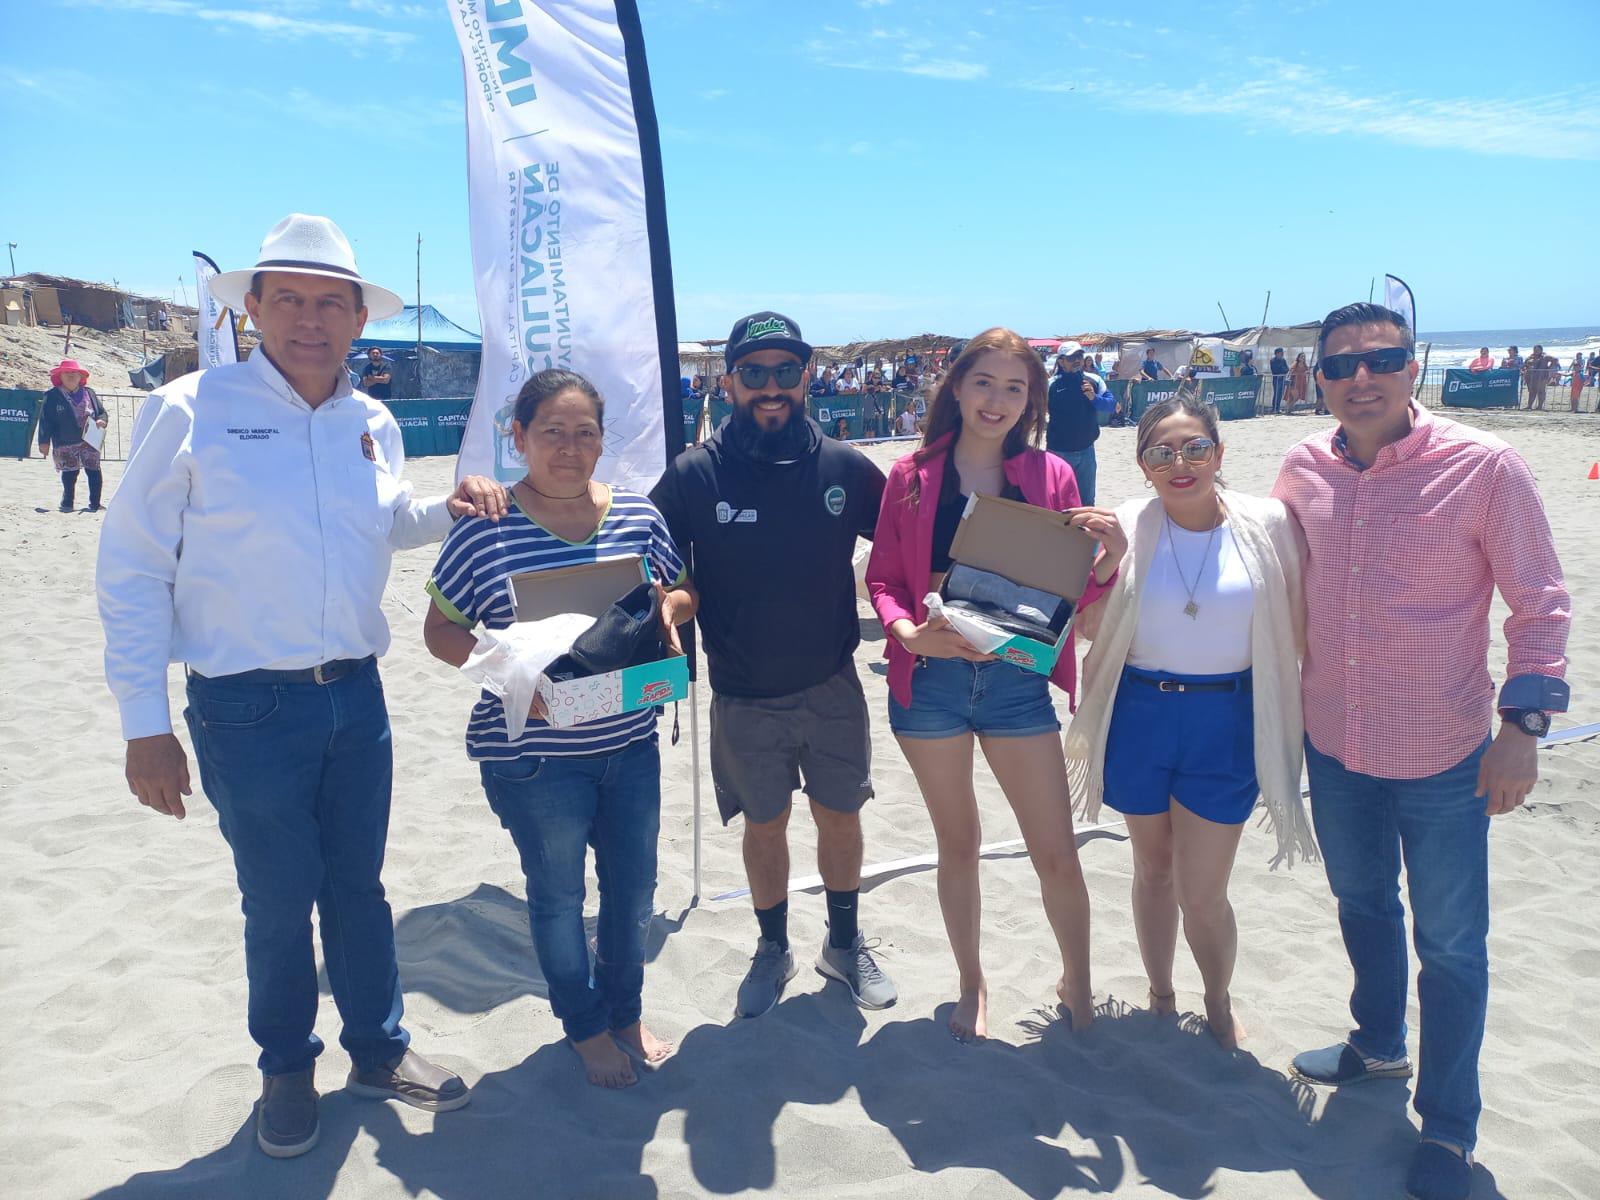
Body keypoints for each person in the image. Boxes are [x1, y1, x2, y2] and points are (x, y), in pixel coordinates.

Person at [96, 214, 509, 1159]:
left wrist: (448, 509)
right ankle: (286, 1068)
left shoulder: (372, 421)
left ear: (360, 318)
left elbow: (384, 522)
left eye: (331, 303)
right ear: (253, 307)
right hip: (244, 705)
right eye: (289, 299)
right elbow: (132, 567)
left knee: (358, 889)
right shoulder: (190, 407)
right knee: (279, 899)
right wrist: (143, 724)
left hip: (356, 694)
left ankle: (378, 1050)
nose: (310, 319)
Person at [1273, 302, 1570, 1200]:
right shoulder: (1301, 468)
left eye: (1383, 359)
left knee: (1450, 946)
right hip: (1336, 744)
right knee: (1361, 904)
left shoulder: (1485, 466)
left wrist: (1521, 731)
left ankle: (1448, 1127)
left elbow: (1541, 606)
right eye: (1340, 365)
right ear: (1319, 378)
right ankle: (1377, 1046)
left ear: (1414, 366)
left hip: (1445, 751)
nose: (1361, 378)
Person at [423, 368, 696, 1089]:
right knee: (558, 898)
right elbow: (440, 632)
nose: (570, 447)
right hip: (535, 756)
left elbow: (679, 591)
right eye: (552, 432)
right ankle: (585, 1027)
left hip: (629, 742)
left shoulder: (637, 515)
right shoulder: (486, 529)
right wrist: (517, 681)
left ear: (603, 441)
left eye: (585, 433)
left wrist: (669, 612)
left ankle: (625, 1013)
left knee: (634, 893)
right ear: (519, 437)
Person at [866, 326, 1121, 1041]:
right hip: (932, 682)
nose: (996, 400)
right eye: (984, 382)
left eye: (1015, 387)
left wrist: (1110, 560)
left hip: (1015, 684)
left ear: (1031, 399)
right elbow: (882, 579)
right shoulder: (911, 476)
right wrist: (907, 634)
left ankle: (1077, 980)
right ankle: (972, 983)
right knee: (958, 844)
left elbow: (1071, 598)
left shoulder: (1052, 476)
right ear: (956, 386)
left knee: (1055, 850)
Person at [650, 311, 895, 1017]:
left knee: (840, 816)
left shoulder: (845, 466)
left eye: (785, 371)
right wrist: (670, 604)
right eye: (753, 372)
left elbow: (911, 544)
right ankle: (772, 947)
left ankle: (842, 945)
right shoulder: (695, 473)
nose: (770, 387)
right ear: (728, 381)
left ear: (807, 376)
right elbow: (652, 562)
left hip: (832, 683)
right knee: (765, 824)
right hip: (742, 691)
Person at [1064, 390, 1314, 1050]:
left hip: (1226, 720)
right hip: (1139, 715)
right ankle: (1161, 994)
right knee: (1152, 870)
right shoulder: (1128, 523)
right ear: (1143, 465)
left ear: (1219, 453)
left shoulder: (1267, 523)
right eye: (1162, 453)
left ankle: (1217, 998)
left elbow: (1299, 626)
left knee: (1203, 892)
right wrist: (1110, 559)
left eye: (1195, 448)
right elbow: (1088, 627)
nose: (1181, 464)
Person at [37, 358, 108, 513]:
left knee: (94, 471)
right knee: (70, 473)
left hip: (90, 439)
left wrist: (102, 420)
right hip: (64, 440)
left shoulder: (89, 393)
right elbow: (45, 420)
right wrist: (44, 441)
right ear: (60, 376)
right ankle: (67, 503)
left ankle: (95, 504)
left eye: (74, 373)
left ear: (80, 377)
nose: (70, 375)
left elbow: (102, 412)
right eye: (66, 373)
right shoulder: (52, 395)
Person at [1045, 340, 1110, 505]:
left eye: (1079, 356)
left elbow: (1112, 406)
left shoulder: (1094, 380)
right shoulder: (1050, 385)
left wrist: (1094, 398)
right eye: (1071, 357)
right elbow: (1037, 411)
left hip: (1087, 451)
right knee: (1056, 502)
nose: (1077, 360)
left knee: (1087, 502)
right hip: (1058, 452)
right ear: (1061, 361)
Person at [1522, 344, 1553, 409]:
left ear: (1541, 350)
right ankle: (1529, 406)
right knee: (1532, 391)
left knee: (1540, 391)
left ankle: (1540, 406)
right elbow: (1524, 365)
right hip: (1531, 376)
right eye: (1534, 349)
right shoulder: (1530, 357)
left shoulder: (1545, 356)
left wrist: (1549, 368)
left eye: (1537, 350)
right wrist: (1525, 369)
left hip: (1542, 376)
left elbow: (1555, 360)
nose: (1535, 351)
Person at [1269, 348, 1290, 414]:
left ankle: (1278, 408)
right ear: (1277, 353)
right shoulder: (1273, 361)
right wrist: (1281, 371)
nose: (1282, 354)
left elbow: (1287, 369)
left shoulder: (1283, 360)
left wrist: (1283, 372)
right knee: (1276, 394)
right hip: (1276, 380)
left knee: (1280, 394)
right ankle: (1274, 408)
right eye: (1281, 353)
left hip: (1283, 379)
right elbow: (1275, 370)